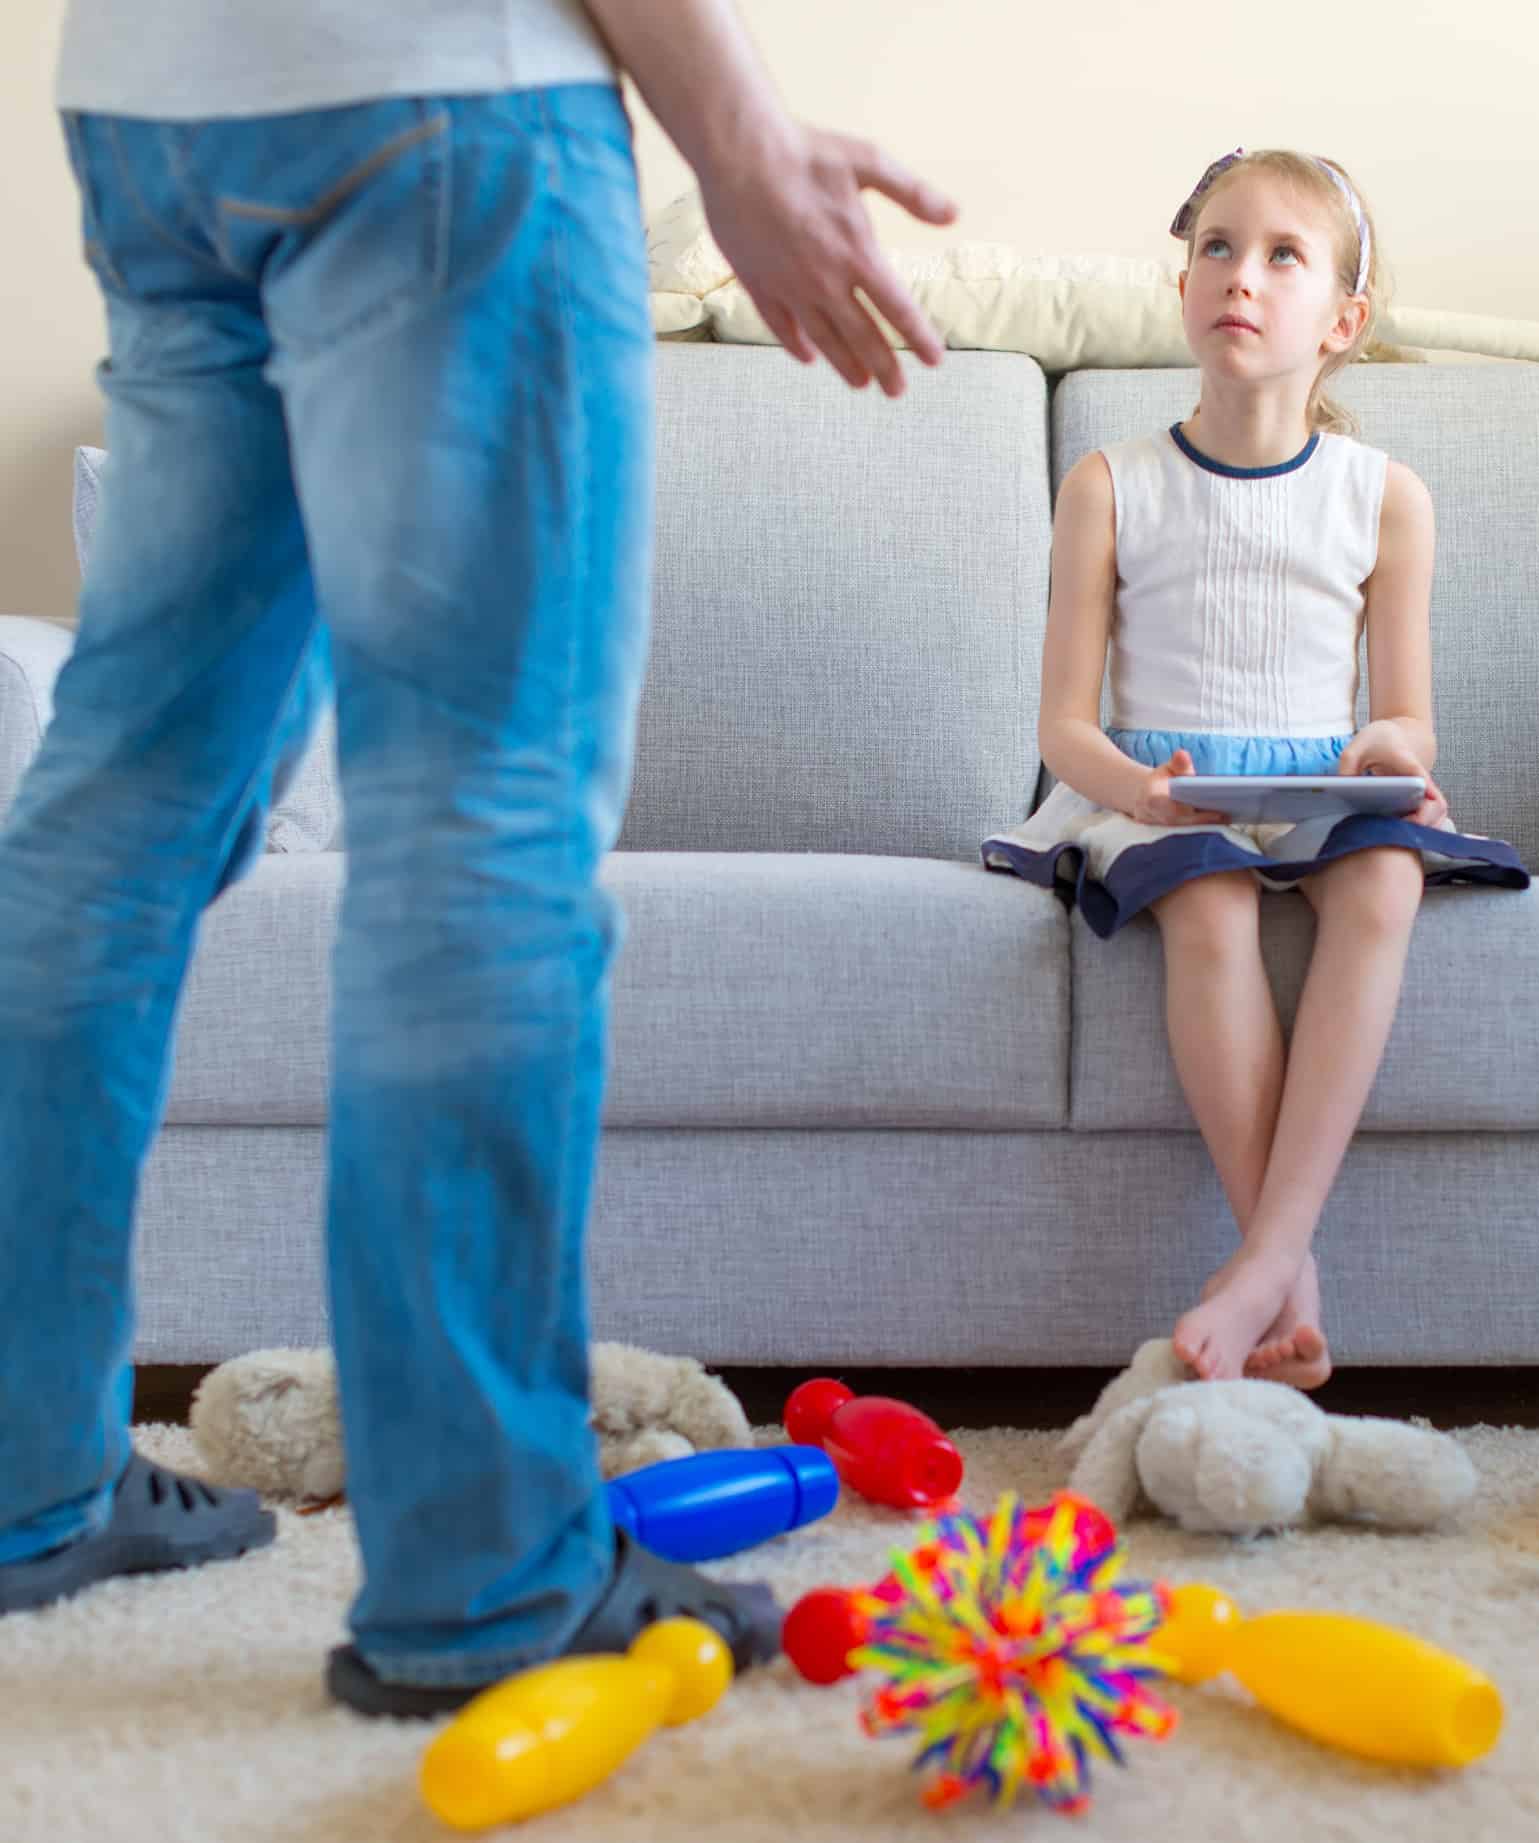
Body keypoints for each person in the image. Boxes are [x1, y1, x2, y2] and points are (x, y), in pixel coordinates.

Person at [0, 0, 959, 1715]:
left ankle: (17, 1469)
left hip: (153, 107)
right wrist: (734, 137)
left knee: (110, 816)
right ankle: (487, 1566)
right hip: (442, 108)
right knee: (480, 832)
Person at [980, 147, 1530, 1389]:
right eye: (1217, 247)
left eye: (1283, 255)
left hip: (1315, 786)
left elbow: (1406, 721)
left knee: (1382, 881)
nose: (1240, 276)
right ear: (1183, 285)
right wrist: (1138, 791)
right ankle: (1287, 1275)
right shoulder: (1109, 483)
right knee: (1208, 894)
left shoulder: (1383, 497)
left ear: (1340, 321)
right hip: (1155, 792)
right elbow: (1062, 725)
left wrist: (1392, 752)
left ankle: (1263, 1258)